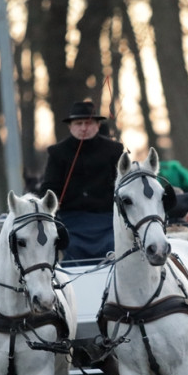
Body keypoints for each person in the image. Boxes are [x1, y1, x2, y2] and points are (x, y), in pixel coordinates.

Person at [40, 100, 124, 261]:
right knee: (69, 249)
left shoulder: (114, 150)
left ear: (98, 125)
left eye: (89, 123)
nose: (84, 128)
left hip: (108, 220)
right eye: (79, 123)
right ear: (70, 126)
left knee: (115, 246)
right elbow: (49, 188)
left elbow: (125, 186)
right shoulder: (57, 153)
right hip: (70, 221)